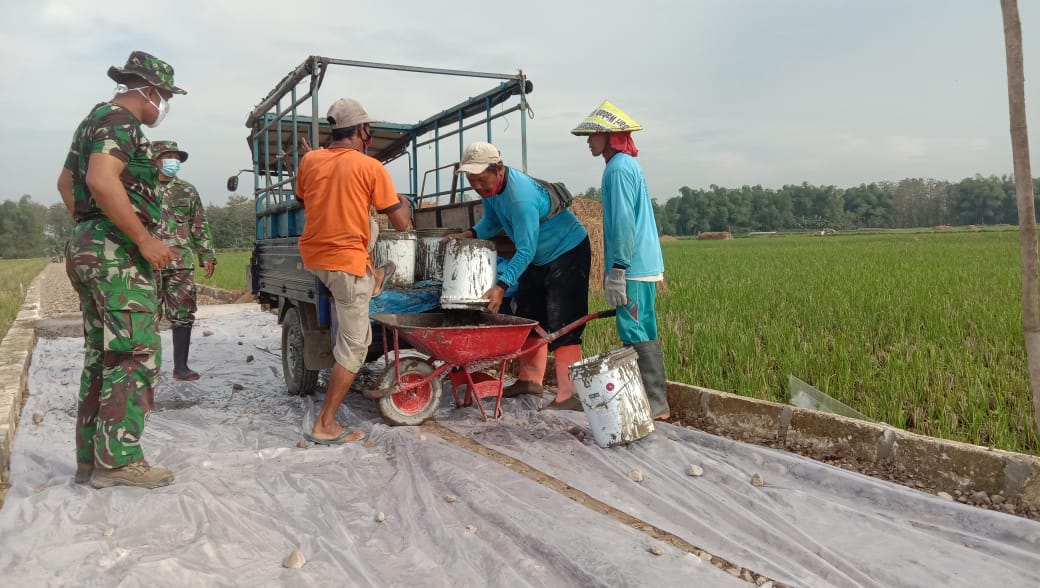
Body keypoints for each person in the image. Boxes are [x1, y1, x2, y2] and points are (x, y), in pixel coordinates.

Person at [57, 51, 184, 489]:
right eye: (165, 96)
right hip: (118, 255)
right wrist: (141, 238)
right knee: (134, 354)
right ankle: (119, 461)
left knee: (103, 355)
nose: (164, 105)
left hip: (91, 247)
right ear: (148, 90)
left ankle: (91, 459)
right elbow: (100, 179)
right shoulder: (120, 121)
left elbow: (66, 184)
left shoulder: (92, 120)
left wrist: (90, 228)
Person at [297, 98, 411, 444]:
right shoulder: (370, 166)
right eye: (368, 131)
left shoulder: (310, 160)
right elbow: (402, 223)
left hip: (316, 257)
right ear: (363, 131)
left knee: (364, 223)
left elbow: (306, 198)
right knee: (355, 348)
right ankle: (325, 424)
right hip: (345, 265)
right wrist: (402, 200)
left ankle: (372, 277)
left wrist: (312, 161)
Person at [447, 142, 591, 410]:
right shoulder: (492, 192)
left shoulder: (519, 197)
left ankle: (570, 394)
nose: (477, 185)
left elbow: (526, 248)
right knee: (529, 315)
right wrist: (469, 235)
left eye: (481, 179)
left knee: (564, 322)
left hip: (567, 251)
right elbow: (492, 222)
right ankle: (530, 380)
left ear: (498, 169)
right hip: (537, 258)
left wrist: (502, 284)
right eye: (471, 180)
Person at [572, 100, 670, 420]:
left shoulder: (617, 170)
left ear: (610, 136)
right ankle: (653, 399)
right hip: (639, 264)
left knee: (635, 329)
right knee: (642, 327)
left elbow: (625, 222)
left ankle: (656, 403)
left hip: (633, 267)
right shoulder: (625, 166)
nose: (588, 141)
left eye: (592, 135)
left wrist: (618, 269)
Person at [152, 140, 216, 381]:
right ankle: (148, 369)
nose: (173, 161)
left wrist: (206, 254)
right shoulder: (140, 189)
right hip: (149, 263)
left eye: (176, 157)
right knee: (147, 315)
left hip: (181, 263)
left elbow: (199, 224)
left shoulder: (187, 190)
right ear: (155, 159)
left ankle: (181, 367)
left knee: (183, 313)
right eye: (168, 156)